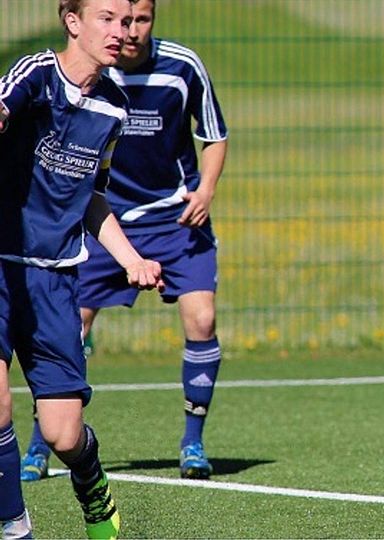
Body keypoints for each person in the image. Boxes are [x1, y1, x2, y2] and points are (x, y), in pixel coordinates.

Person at [19, 0, 229, 484]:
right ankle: (39, 445)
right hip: (103, 222)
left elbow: (214, 135)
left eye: (140, 19)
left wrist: (205, 190)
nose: (128, 30)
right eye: (116, 19)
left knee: (202, 317)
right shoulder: (86, 75)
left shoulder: (181, 67)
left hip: (174, 219)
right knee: (69, 326)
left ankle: (193, 442)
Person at [0, 0, 166, 538]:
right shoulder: (37, 75)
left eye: (127, 20)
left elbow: (92, 196)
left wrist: (132, 258)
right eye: (106, 18)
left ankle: (92, 482)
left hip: (54, 281)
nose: (121, 31)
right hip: (0, 267)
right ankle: (15, 526)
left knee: (64, 436)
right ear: (72, 22)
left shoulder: (114, 109)